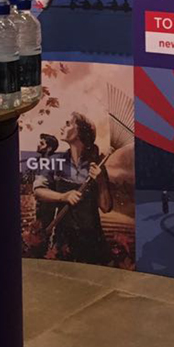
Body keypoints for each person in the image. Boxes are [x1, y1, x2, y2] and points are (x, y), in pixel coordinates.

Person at [32, 113, 112, 263]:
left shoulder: (97, 165)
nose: (63, 127)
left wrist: (101, 181)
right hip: (64, 236)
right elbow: (38, 191)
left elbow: (106, 207)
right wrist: (63, 196)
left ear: (80, 132)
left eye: (68, 124)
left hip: (92, 239)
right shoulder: (55, 161)